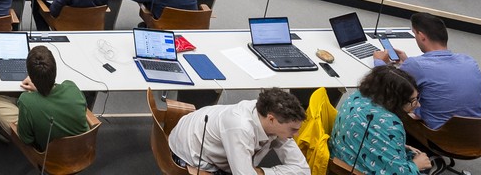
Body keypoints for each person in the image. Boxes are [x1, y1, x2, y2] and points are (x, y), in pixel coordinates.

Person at [373, 13, 481, 131]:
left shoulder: (417, 65)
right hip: (477, 135)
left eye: (414, 33)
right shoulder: (469, 61)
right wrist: (407, 62)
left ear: (421, 36)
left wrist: (380, 62)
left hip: (442, 136)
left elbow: (386, 83)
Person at [169, 88, 310, 175]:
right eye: (293, 129)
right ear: (272, 119)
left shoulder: (271, 117)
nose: (296, 134)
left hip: (202, 137)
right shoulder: (241, 127)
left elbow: (302, 170)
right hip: (190, 155)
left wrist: (261, 172)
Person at [0, 44, 88, 148]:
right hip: (82, 148)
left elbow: (26, 139)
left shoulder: (27, 101)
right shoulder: (71, 87)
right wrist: (39, 87)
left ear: (29, 74)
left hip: (50, 155)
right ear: (55, 69)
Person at [329, 65, 429, 175]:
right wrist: (416, 165)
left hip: (341, 162)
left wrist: (399, 146)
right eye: (413, 100)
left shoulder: (355, 97)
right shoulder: (391, 124)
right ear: (395, 100)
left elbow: (368, 135)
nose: (418, 105)